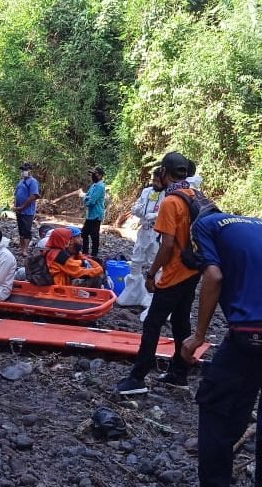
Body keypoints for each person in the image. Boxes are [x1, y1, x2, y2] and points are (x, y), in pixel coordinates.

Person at [181, 213, 262, 487]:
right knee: (245, 389)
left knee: (216, 406)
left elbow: (213, 277)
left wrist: (198, 336)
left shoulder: (204, 225)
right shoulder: (254, 226)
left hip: (252, 332)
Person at [116, 152, 200, 395]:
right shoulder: (194, 194)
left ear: (164, 171)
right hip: (194, 269)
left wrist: (152, 274)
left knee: (153, 322)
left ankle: (137, 378)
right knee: (181, 322)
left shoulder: (170, 202)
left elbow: (167, 244)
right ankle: (179, 373)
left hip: (174, 272)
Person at [117, 168, 165, 308]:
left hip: (158, 232)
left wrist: (156, 216)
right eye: (154, 180)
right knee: (136, 260)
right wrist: (137, 209)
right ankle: (133, 292)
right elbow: (139, 205)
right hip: (143, 230)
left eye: (158, 181)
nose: (155, 183)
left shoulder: (168, 195)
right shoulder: (147, 192)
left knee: (155, 262)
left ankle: (151, 296)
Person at [13, 162, 40, 257]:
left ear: (30, 171)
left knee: (27, 231)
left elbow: (34, 196)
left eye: (25, 170)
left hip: (27, 211)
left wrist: (22, 206)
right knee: (21, 231)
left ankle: (25, 250)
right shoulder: (21, 181)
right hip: (19, 210)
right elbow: (16, 194)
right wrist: (16, 206)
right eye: (22, 170)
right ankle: (21, 249)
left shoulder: (33, 182)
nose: (23, 172)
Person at [82, 166, 106, 257]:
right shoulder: (93, 185)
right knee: (84, 233)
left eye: (94, 174)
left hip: (96, 214)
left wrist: (87, 200)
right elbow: (85, 197)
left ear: (99, 175)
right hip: (90, 214)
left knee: (94, 235)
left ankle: (94, 254)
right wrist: (87, 199)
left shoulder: (100, 186)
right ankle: (85, 252)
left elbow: (91, 202)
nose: (92, 176)